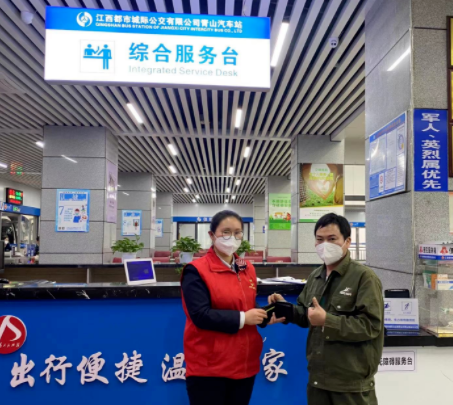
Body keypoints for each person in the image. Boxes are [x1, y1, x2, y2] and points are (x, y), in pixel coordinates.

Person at [268, 213, 384, 405]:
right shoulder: (315, 276)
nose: (325, 245)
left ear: (347, 241)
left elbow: (371, 326)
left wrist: (327, 321)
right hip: (318, 379)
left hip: (350, 384)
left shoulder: (364, 278)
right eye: (320, 239)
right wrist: (285, 308)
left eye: (332, 239)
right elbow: (306, 315)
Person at [181, 210, 267, 405]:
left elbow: (246, 303)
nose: (232, 238)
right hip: (209, 367)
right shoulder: (196, 270)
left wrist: (265, 315)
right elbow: (200, 315)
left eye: (237, 232)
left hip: (244, 363)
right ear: (212, 235)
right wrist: (244, 318)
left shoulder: (247, 268)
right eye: (226, 232)